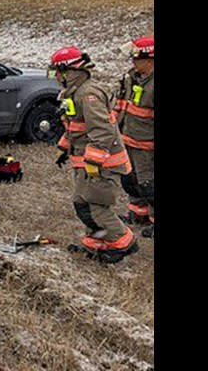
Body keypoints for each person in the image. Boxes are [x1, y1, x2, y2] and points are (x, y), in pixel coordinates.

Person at [49, 46, 137, 263]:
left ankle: (123, 243)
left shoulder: (88, 94)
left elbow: (102, 131)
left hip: (102, 164)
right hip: (85, 162)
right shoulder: (74, 93)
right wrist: (64, 149)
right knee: (82, 203)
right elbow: (76, 128)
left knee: (98, 207)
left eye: (56, 72)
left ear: (67, 71)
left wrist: (94, 161)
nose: (55, 77)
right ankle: (97, 241)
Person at [113, 36, 155, 238]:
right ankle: (138, 215)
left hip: (147, 145)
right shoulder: (130, 78)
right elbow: (120, 106)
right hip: (127, 139)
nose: (132, 62)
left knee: (149, 184)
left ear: (150, 60)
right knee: (130, 181)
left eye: (136, 58)